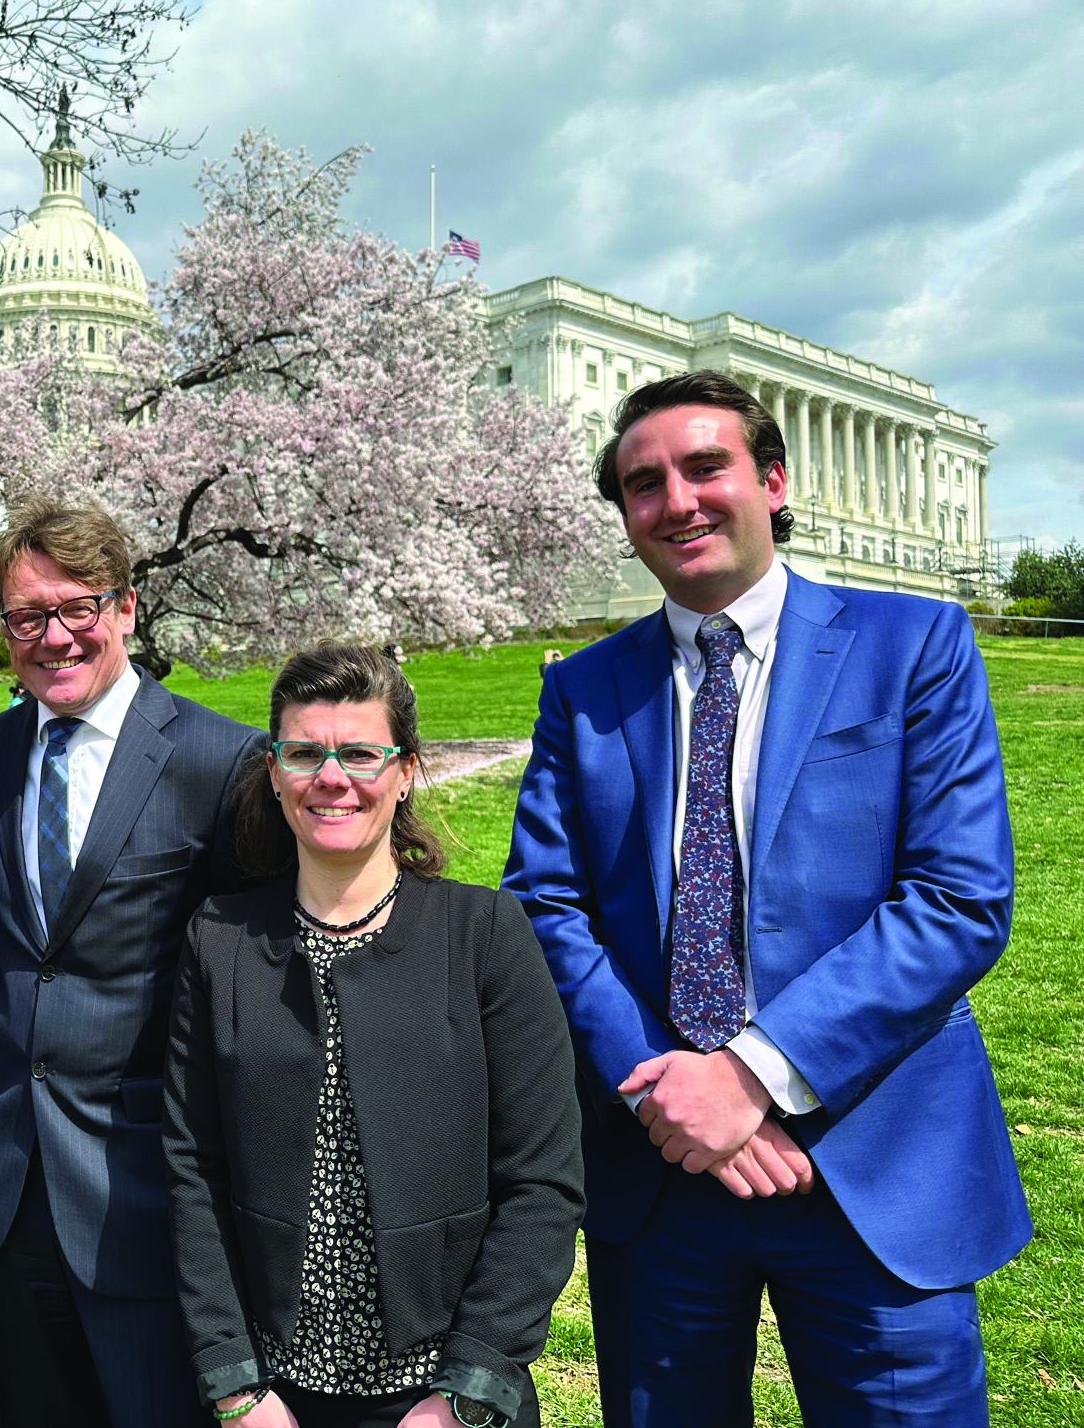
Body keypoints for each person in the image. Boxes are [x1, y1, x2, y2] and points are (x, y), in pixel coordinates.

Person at [505, 370, 1031, 1425]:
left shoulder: (912, 646)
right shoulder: (586, 687)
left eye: (707, 467)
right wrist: (665, 1092)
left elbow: (958, 897)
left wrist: (748, 1077)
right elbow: (544, 904)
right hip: (662, 1175)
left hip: (869, 1156)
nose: (678, 500)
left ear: (774, 480)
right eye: (643, 484)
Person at [163, 644, 583, 1428]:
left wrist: (466, 1392)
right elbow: (192, 1171)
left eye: (360, 752)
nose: (332, 777)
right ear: (276, 773)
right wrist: (235, 1387)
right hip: (277, 1401)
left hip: (444, 1399)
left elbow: (545, 1181)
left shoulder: (485, 936)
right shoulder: (219, 940)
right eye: (304, 753)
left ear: (406, 770)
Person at [0, 497, 267, 1427]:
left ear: (126, 609)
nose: (53, 636)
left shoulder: (218, 759)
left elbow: (252, 988)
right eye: (25, 617)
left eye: (76, 608)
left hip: (153, 1185)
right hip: (13, 1180)